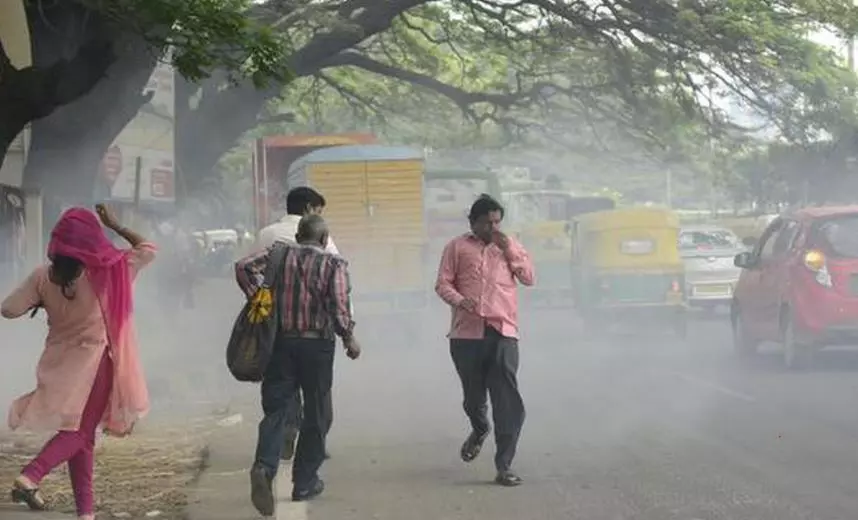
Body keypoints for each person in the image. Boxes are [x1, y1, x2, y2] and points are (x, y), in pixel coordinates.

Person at [2, 204, 155, 520]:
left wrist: (42, 301)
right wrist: (115, 223)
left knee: (81, 436)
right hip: (95, 364)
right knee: (82, 434)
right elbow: (148, 249)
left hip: (58, 364)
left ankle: (86, 512)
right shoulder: (111, 271)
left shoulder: (43, 277)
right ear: (94, 239)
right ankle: (32, 474)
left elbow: (8, 309)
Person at [235, 214, 360, 515]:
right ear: (322, 238)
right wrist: (349, 338)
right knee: (317, 412)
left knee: (277, 409)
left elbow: (242, 268)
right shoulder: (334, 264)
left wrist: (258, 298)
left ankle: (264, 468)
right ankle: (304, 481)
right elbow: (339, 305)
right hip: (317, 345)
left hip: (280, 343)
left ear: (299, 235)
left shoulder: (279, 253)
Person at [434, 194, 535, 487]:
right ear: (473, 223)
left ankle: (504, 465)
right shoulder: (457, 247)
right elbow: (442, 283)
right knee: (474, 398)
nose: (493, 227)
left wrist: (510, 249)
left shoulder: (509, 245)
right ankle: (480, 428)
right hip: (467, 334)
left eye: (497, 221)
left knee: (507, 400)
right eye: (487, 222)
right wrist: (459, 300)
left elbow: (529, 278)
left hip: (503, 332)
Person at [254, 187, 339, 462]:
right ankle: (313, 452)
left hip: (277, 329)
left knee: (282, 389)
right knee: (317, 396)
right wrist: (346, 331)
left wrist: (261, 301)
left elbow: (249, 271)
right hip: (316, 333)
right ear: (308, 210)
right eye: (317, 211)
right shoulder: (323, 240)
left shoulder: (267, 235)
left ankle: (286, 431)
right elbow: (337, 285)